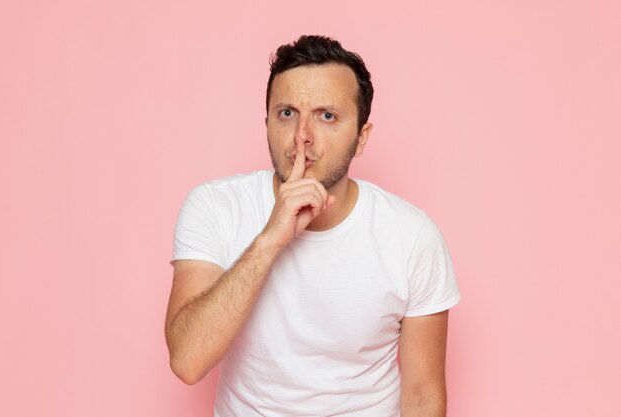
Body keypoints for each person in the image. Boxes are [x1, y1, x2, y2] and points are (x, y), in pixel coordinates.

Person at [165, 35, 461, 417]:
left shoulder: (412, 237)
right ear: (267, 122)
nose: (302, 136)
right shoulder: (215, 207)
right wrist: (271, 239)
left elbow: (423, 396)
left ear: (361, 138)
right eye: (287, 113)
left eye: (327, 116)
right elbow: (187, 361)